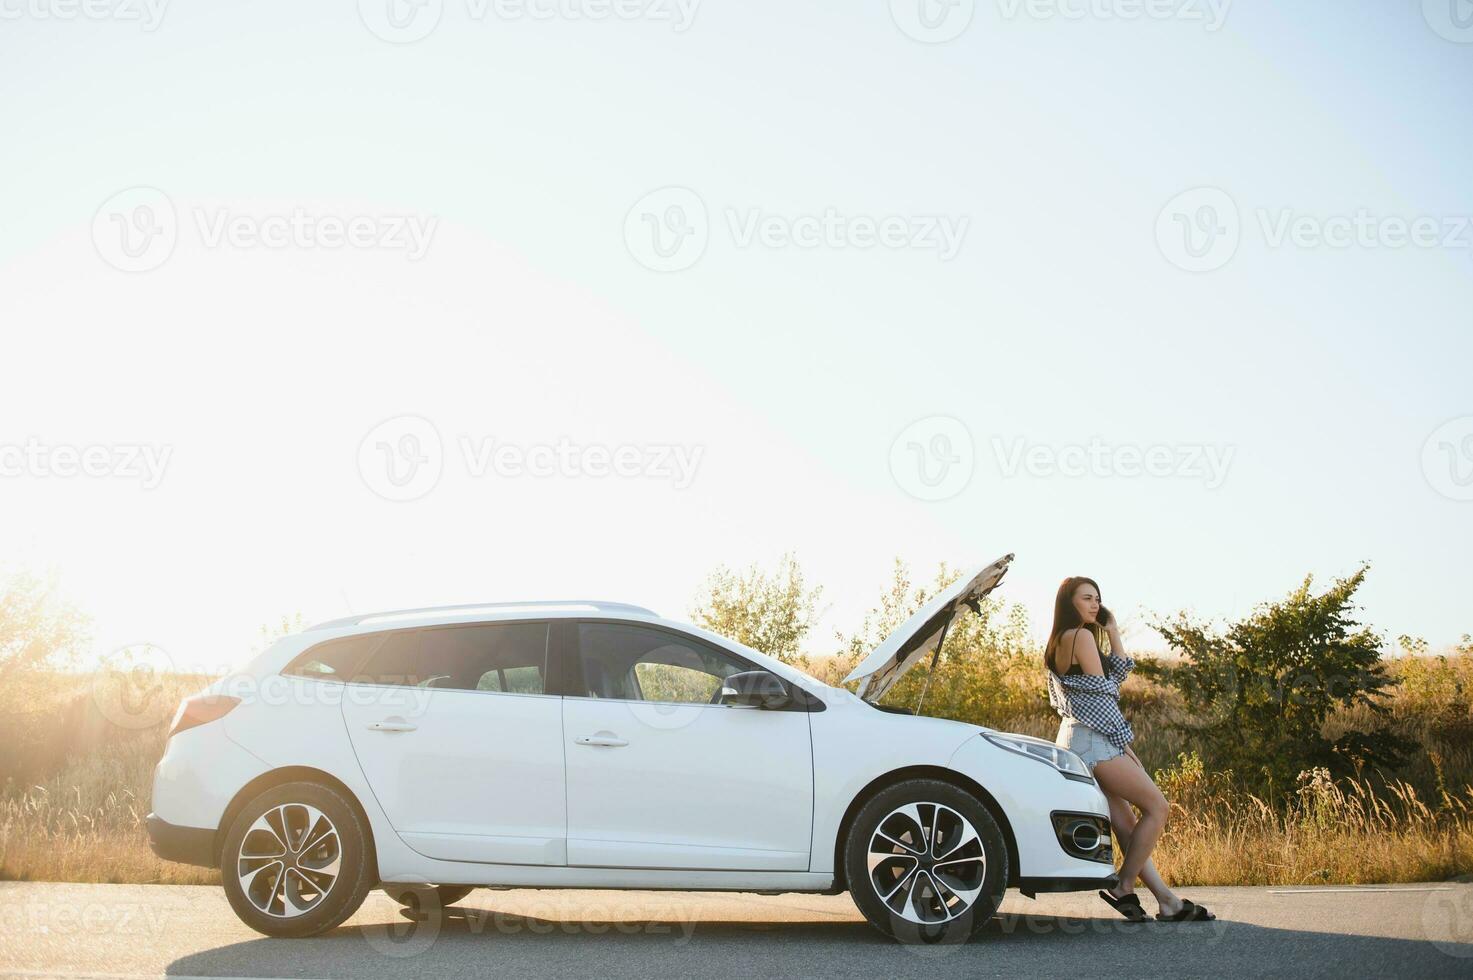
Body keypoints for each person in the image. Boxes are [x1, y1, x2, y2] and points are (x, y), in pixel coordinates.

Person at [1044, 576, 1216, 923]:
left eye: (1097, 598)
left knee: (1126, 824)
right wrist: (1125, 744)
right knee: (1158, 807)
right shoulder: (1079, 636)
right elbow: (1105, 695)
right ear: (1069, 603)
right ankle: (1123, 885)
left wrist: (1114, 631)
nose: (1095, 604)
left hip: (1076, 737)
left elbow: (1112, 678)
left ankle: (1167, 902)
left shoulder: (1062, 640)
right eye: (1087, 598)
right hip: (1095, 739)